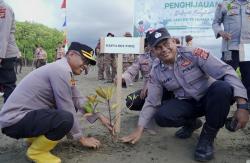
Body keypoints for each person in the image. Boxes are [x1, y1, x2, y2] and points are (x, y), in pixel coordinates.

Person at [121, 28, 249, 162]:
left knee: (222, 88)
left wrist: (242, 106)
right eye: (158, 47)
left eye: (166, 43)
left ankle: (207, 138)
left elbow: (226, 71)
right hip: (187, 103)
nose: (164, 49)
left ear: (173, 41)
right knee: (162, 116)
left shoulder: (194, 53)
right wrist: (139, 128)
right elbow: (152, 101)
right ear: (152, 51)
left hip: (210, 99)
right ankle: (192, 123)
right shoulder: (156, 70)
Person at [0, 42, 114, 163]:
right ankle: (37, 152)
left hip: (19, 118)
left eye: (88, 64)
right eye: (85, 61)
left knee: (68, 112)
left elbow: (77, 99)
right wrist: (81, 138)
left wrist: (99, 116)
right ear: (71, 54)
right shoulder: (61, 70)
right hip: (14, 121)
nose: (86, 67)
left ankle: (33, 139)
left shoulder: (64, 71)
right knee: (66, 117)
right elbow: (66, 106)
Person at [212, 0, 250, 99]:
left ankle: (246, 106)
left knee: (248, 76)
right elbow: (215, 23)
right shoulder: (225, 4)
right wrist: (221, 32)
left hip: (247, 48)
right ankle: (224, 101)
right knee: (226, 75)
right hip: (230, 47)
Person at [0, 0, 19, 103]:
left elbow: (3, 33)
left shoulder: (3, 8)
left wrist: (0, 55)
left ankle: (10, 115)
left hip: (6, 54)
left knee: (8, 85)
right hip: (3, 52)